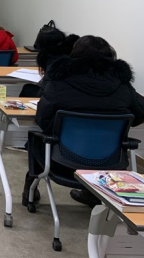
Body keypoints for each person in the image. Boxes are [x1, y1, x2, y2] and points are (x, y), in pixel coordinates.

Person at [23, 36, 144, 207]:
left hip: (61, 162)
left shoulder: (59, 81)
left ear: (74, 55)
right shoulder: (123, 85)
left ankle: (30, 189)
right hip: (110, 163)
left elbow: (43, 119)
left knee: (36, 140)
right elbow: (139, 115)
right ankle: (92, 194)